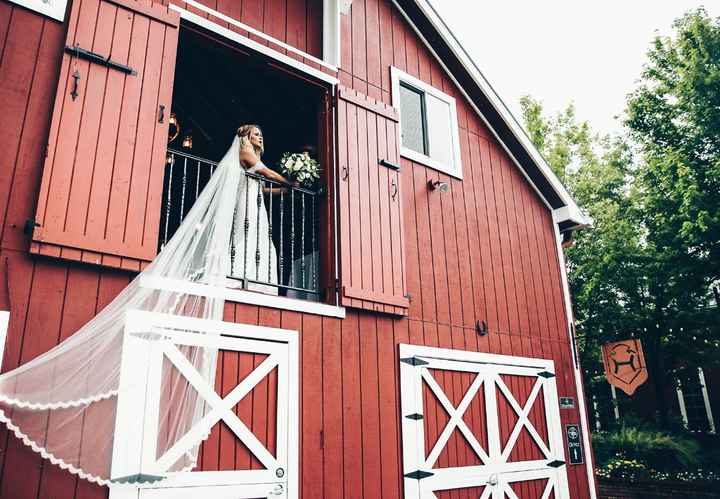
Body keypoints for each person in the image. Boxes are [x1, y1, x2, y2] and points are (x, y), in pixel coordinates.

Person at [230, 124, 293, 294]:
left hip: (256, 202)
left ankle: (257, 281)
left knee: (260, 237)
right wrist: (288, 181)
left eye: (261, 135)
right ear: (247, 138)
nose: (260, 137)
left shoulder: (254, 157)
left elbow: (261, 188)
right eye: (256, 134)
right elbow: (268, 173)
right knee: (246, 234)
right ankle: (237, 277)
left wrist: (283, 191)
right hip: (246, 201)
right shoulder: (244, 153)